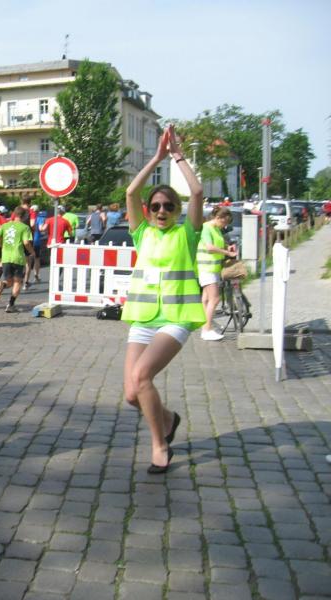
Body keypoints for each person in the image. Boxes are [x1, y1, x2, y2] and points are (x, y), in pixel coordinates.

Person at [122, 124, 205, 474]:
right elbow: (130, 191)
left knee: (142, 376)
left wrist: (177, 157)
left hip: (176, 317)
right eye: (155, 205)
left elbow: (197, 192)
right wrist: (155, 158)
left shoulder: (187, 234)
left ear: (177, 210)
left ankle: (159, 446)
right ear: (148, 209)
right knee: (132, 394)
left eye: (168, 206)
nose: (161, 210)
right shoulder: (142, 233)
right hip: (143, 317)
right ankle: (168, 419)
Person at [197, 206, 236, 341]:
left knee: (206, 299)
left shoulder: (216, 229)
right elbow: (210, 247)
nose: (225, 225)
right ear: (218, 218)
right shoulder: (206, 228)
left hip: (213, 268)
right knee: (215, 298)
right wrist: (227, 253)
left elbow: (218, 244)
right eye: (224, 222)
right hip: (206, 268)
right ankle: (207, 330)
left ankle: (206, 326)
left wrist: (227, 247)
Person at [0, 206, 33, 313]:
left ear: (14, 214)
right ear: (24, 216)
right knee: (17, 282)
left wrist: (1, 245)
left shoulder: (4, 225)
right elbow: (26, 242)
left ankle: (2, 284)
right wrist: (32, 252)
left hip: (5, 257)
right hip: (18, 257)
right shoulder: (25, 227)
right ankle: (10, 305)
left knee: (9, 281)